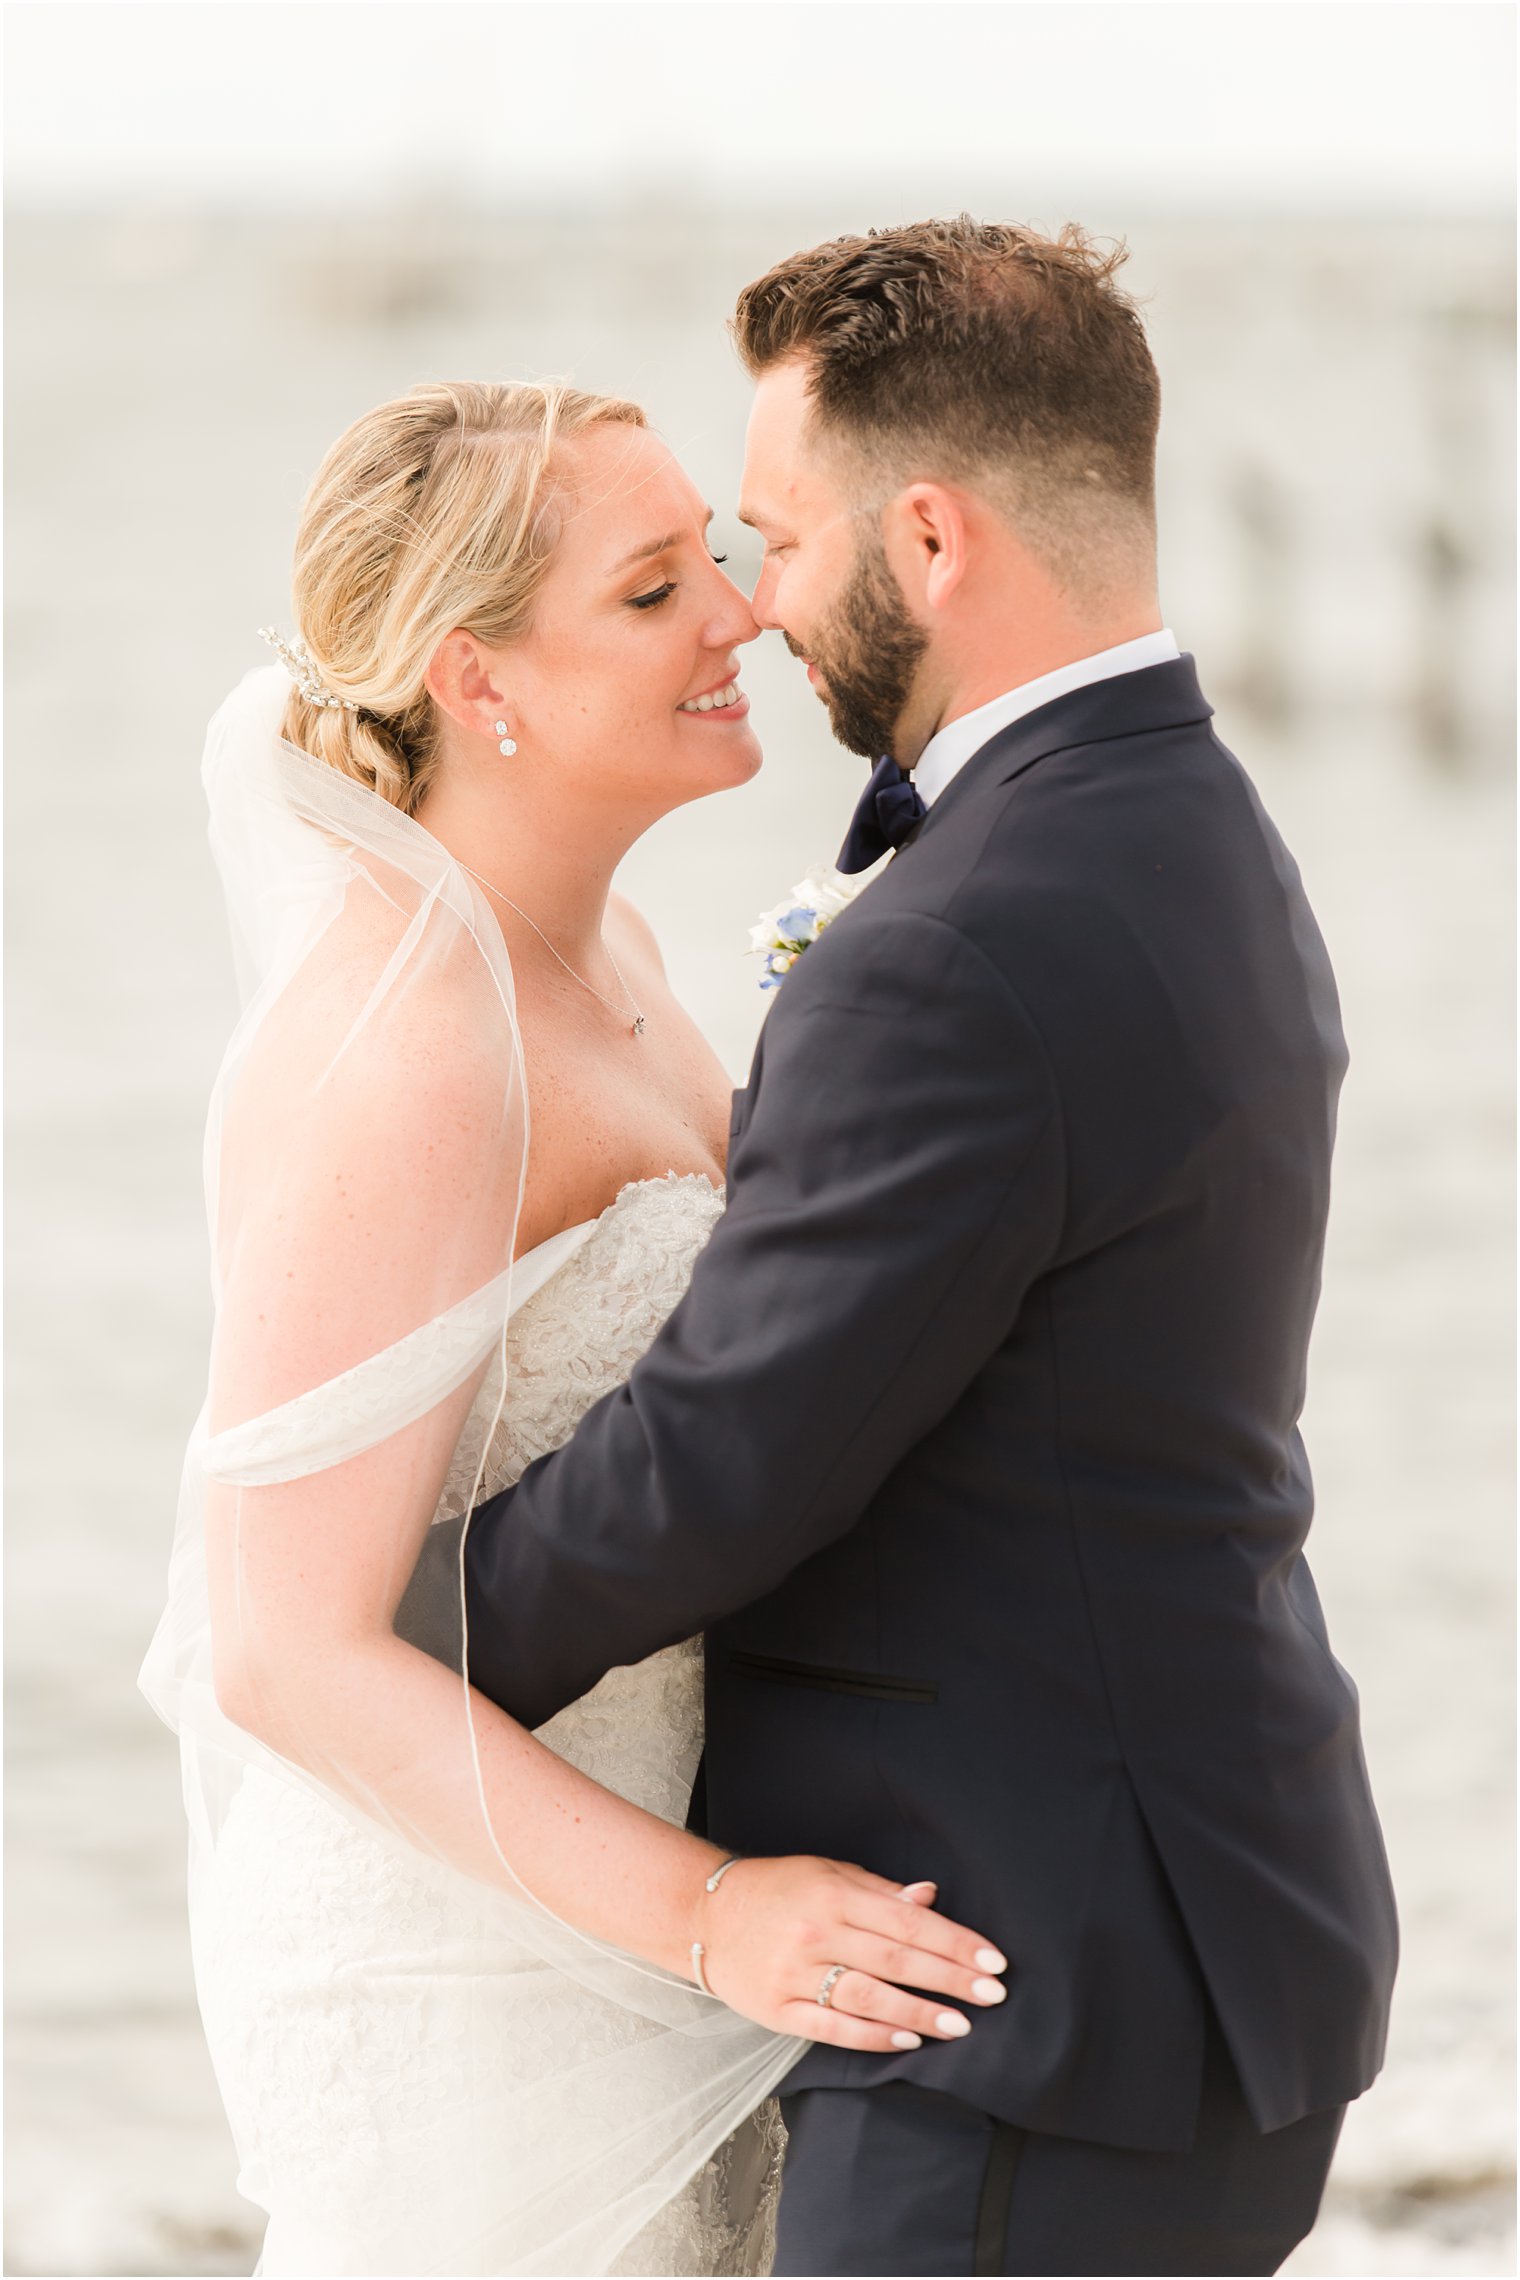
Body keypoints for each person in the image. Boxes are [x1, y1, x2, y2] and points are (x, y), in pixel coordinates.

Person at [456, 221, 1400, 2276]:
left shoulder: (966, 937)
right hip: (1187, 1928)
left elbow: (725, 1462)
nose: (756, 603)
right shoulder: (1181, 825)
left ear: (936, 539)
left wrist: (398, 1650)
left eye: (779, 538)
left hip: (1020, 1995)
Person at [138, 378, 1007, 2279]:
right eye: (651, 590)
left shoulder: (607, 958)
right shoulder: (409, 1057)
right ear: (475, 678)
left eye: (717, 551)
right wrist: (709, 1915)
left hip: (629, 1901)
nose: (745, 614)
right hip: (487, 1978)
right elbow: (284, 1652)